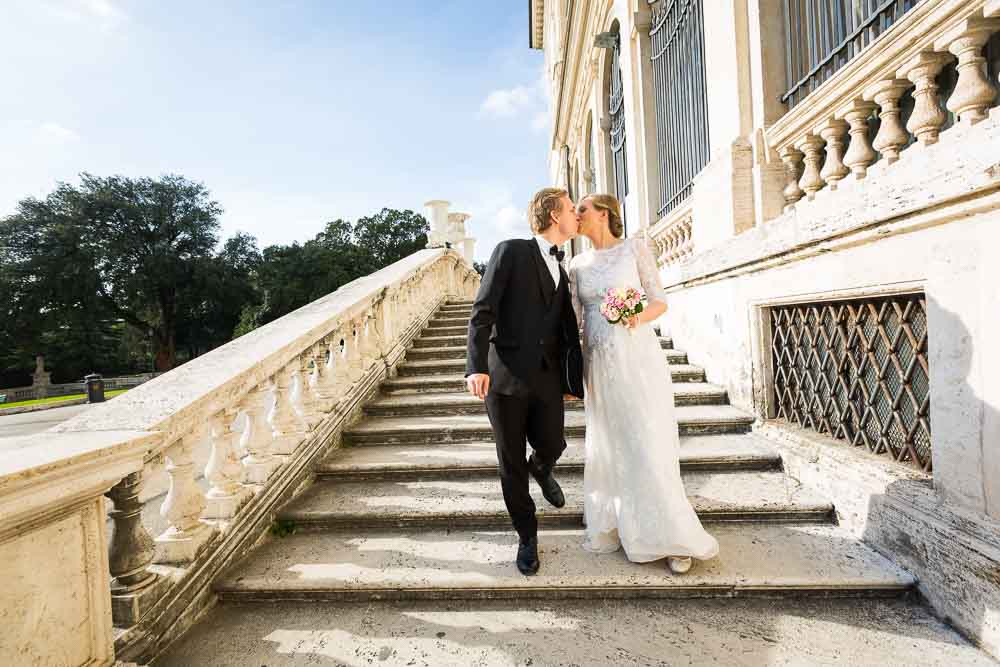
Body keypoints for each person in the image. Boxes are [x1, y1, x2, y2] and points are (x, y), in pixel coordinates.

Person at [569, 193, 719, 574]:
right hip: (598, 363)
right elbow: (573, 323)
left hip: (637, 355)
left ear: (603, 213)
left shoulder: (634, 249)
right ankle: (623, 523)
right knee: (610, 443)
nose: (576, 214)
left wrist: (635, 315)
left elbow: (658, 300)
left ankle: (672, 534)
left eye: (582, 209)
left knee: (646, 438)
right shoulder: (577, 264)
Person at [465, 187, 582, 576]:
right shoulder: (511, 251)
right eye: (570, 209)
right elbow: (483, 310)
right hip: (504, 379)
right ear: (553, 216)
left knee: (554, 442)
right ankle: (527, 536)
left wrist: (572, 379)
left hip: (547, 378)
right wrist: (475, 366)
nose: (576, 215)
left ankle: (543, 466)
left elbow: (566, 330)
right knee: (510, 463)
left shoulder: (561, 270)